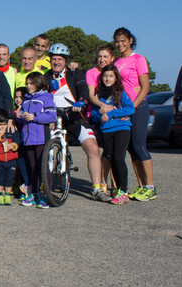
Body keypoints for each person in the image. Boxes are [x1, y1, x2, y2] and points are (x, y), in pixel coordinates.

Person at [43, 43, 106, 203]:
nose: (56, 62)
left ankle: (97, 188)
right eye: (53, 59)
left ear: (65, 61)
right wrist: (48, 87)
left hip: (74, 115)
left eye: (59, 59)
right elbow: (40, 90)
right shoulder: (46, 76)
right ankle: (46, 183)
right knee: (44, 148)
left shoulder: (74, 73)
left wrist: (81, 101)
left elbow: (83, 87)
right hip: (53, 117)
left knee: (92, 147)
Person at [112, 27, 156, 201]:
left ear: (131, 40)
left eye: (123, 40)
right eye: (117, 40)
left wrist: (133, 106)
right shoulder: (115, 62)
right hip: (123, 109)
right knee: (130, 149)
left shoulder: (138, 59)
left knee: (139, 146)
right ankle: (141, 186)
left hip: (138, 108)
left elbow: (145, 87)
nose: (120, 44)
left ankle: (151, 187)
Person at [90, 65, 135, 205]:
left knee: (119, 159)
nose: (107, 79)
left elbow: (130, 108)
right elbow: (94, 117)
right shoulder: (98, 95)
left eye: (111, 76)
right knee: (111, 158)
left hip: (122, 129)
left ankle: (123, 192)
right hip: (106, 131)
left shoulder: (120, 93)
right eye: (105, 76)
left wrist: (110, 114)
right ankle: (117, 190)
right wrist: (101, 112)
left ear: (116, 78)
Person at [16, 73, 56, 208]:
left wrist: (35, 117)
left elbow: (51, 116)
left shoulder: (46, 97)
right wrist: (19, 117)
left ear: (39, 83)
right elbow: (25, 119)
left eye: (31, 83)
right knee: (32, 167)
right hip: (28, 139)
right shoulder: (26, 99)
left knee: (42, 167)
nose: (28, 86)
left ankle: (47, 195)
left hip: (41, 138)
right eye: (27, 83)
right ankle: (35, 194)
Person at [85, 44, 116, 192]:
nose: (102, 59)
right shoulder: (91, 72)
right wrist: (104, 107)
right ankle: (101, 181)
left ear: (112, 58)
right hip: (94, 116)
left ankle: (113, 182)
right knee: (95, 150)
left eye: (105, 56)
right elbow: (90, 95)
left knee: (111, 151)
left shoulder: (114, 72)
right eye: (99, 56)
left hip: (112, 116)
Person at [0, 109, 20, 206]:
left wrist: (13, 145)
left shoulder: (11, 129)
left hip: (11, 159)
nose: (3, 126)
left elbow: (17, 138)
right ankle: (0, 194)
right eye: (0, 124)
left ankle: (7, 194)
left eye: (4, 124)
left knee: (9, 178)